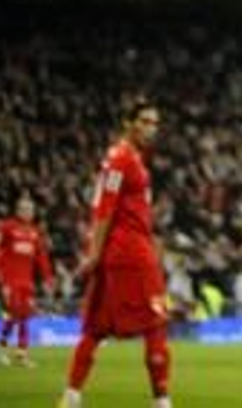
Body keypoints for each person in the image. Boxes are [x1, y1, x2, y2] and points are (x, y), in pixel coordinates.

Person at [60, 98, 171, 408]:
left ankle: (71, 397)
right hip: (130, 254)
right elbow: (104, 208)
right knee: (157, 323)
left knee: (95, 328)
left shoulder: (125, 158)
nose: (151, 129)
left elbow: (110, 206)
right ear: (128, 122)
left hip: (119, 251)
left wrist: (98, 253)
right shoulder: (122, 158)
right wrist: (93, 253)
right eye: (145, 122)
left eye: (155, 123)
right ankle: (161, 401)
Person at [0, 194, 53, 367]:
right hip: (10, 280)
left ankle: (22, 354)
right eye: (25, 209)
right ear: (18, 210)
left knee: (25, 316)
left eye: (31, 209)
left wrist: (48, 278)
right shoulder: (7, 227)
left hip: (27, 281)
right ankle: (1, 348)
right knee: (14, 313)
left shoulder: (34, 232)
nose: (29, 212)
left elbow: (41, 257)